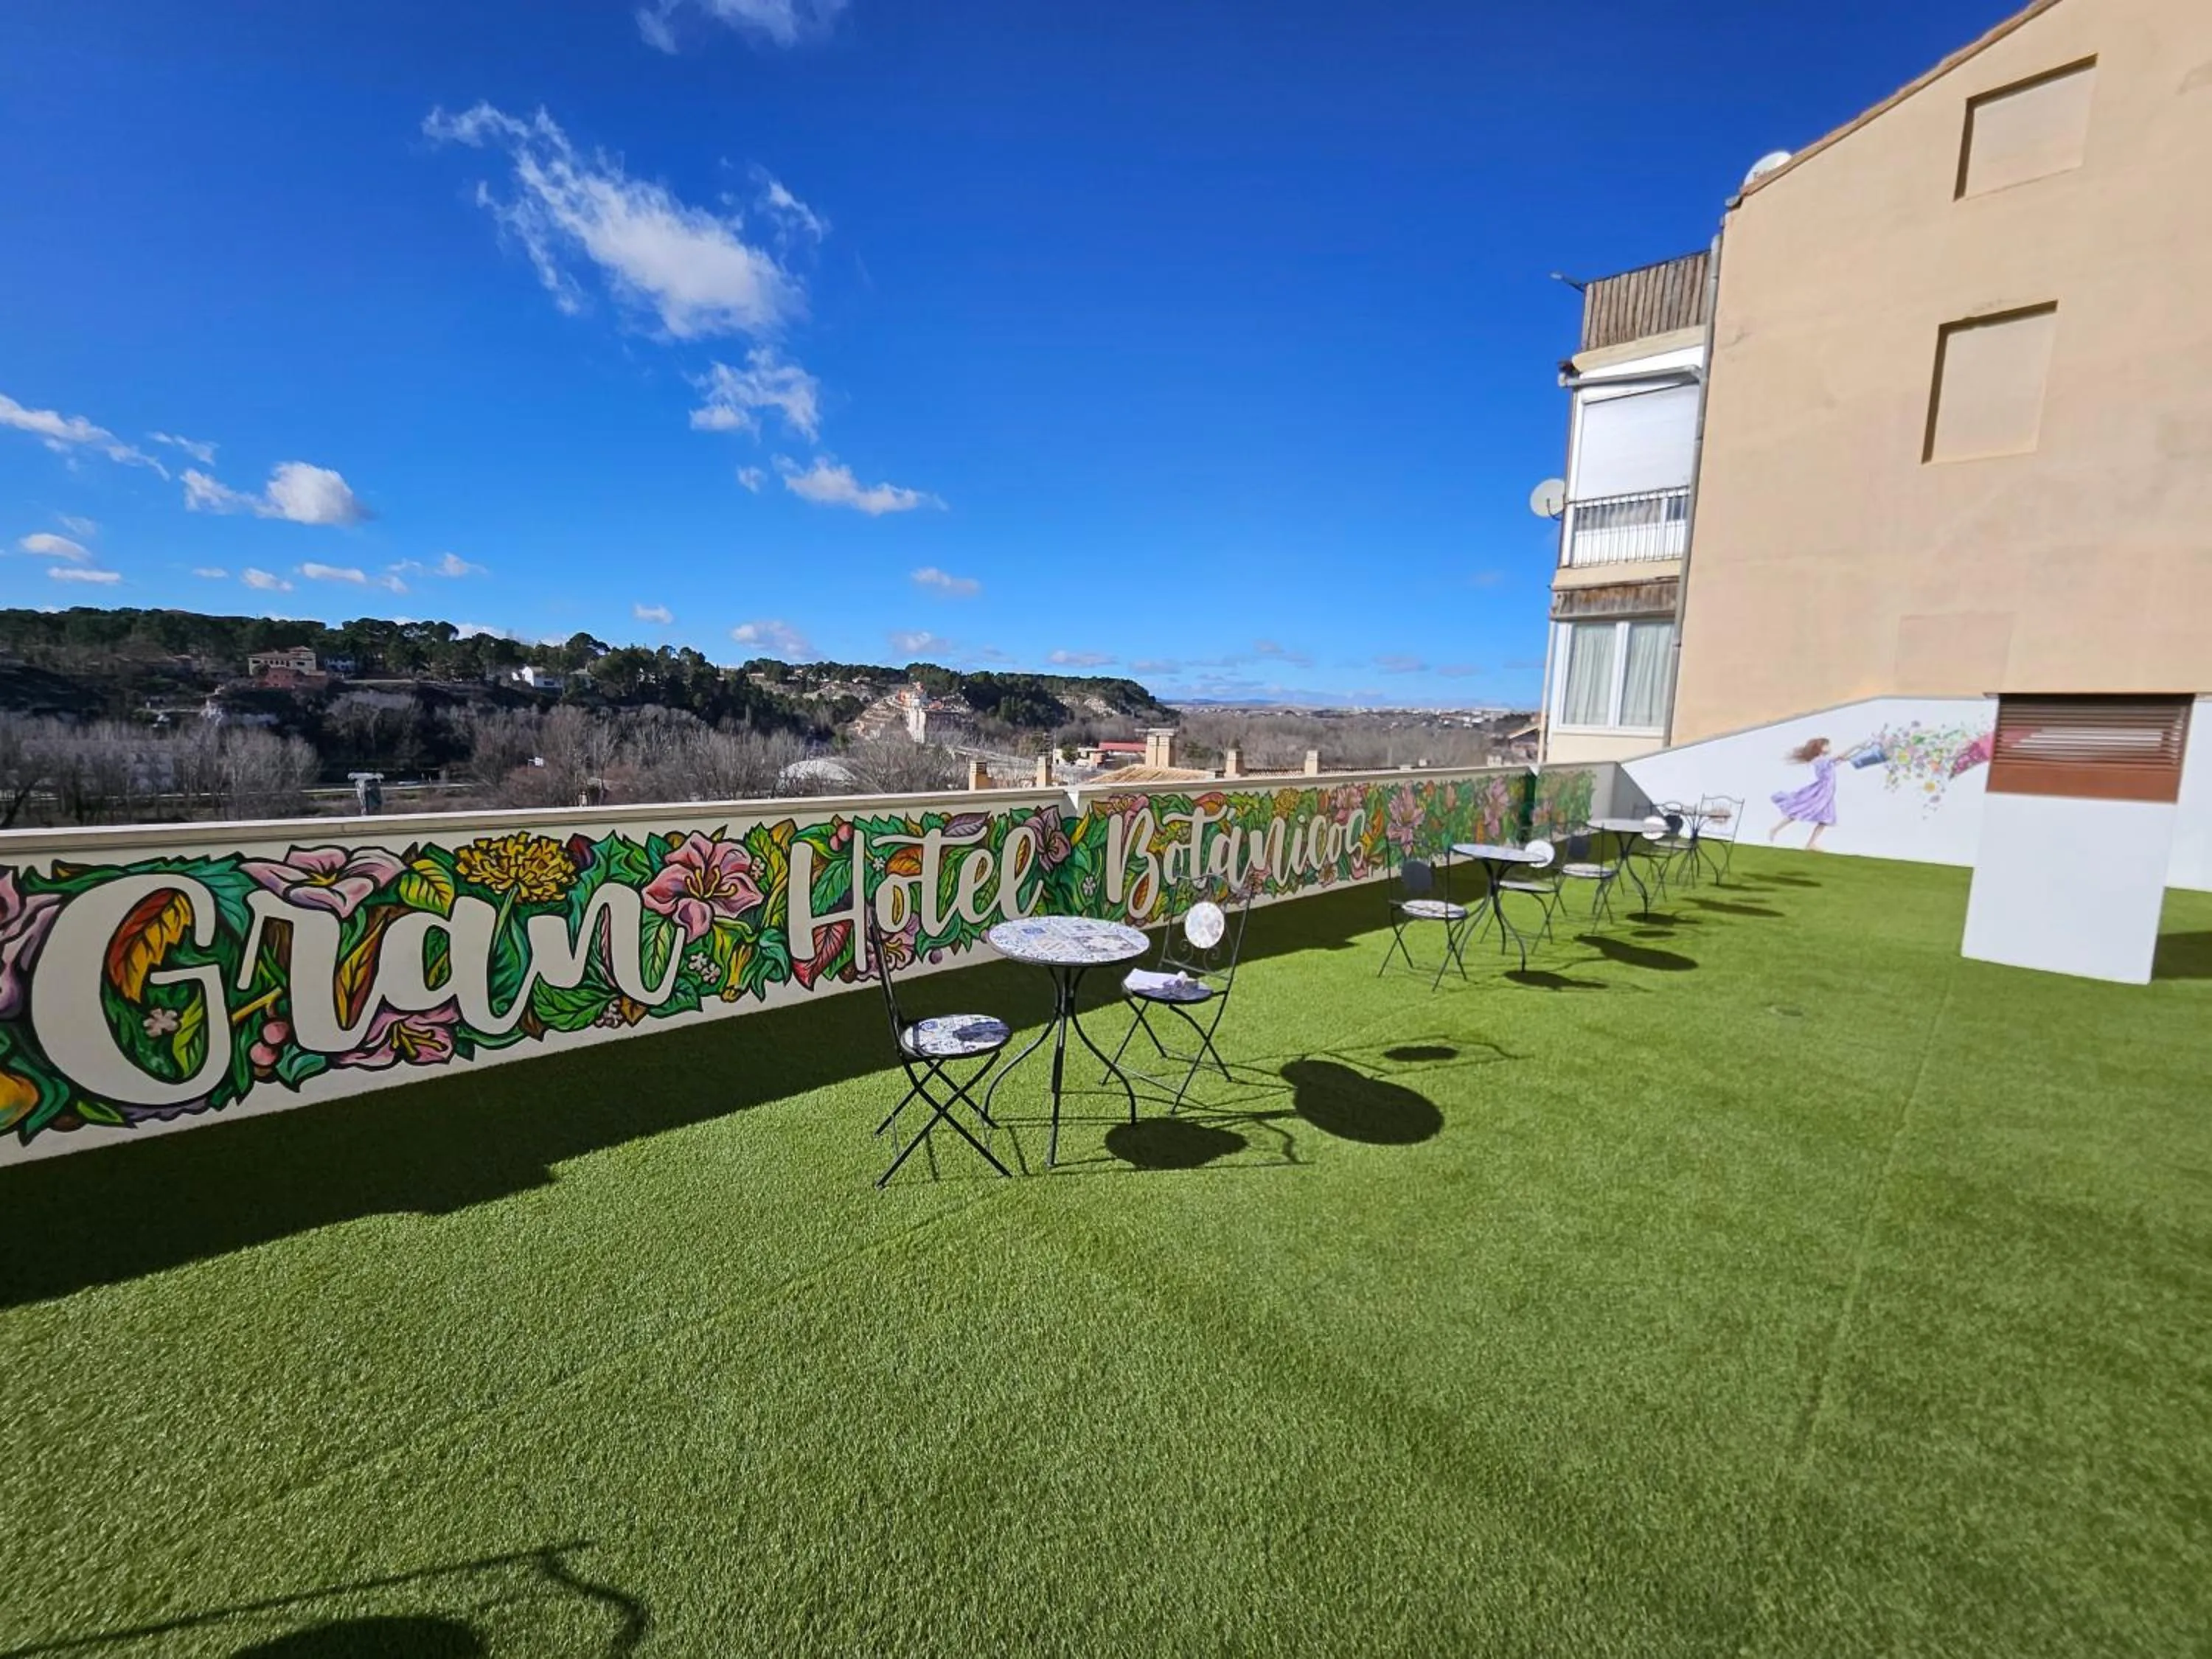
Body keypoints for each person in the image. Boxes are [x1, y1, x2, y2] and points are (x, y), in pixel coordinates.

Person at [1769, 737, 1841, 849]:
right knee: (1800, 810)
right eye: (1826, 745)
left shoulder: (1826, 760)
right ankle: (1776, 829)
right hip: (1820, 793)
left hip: (1827, 795)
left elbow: (1845, 758)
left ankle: (1810, 844)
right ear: (1820, 748)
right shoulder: (1820, 760)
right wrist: (1860, 745)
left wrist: (1863, 748)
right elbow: (1842, 756)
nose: (1829, 747)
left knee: (1824, 820)